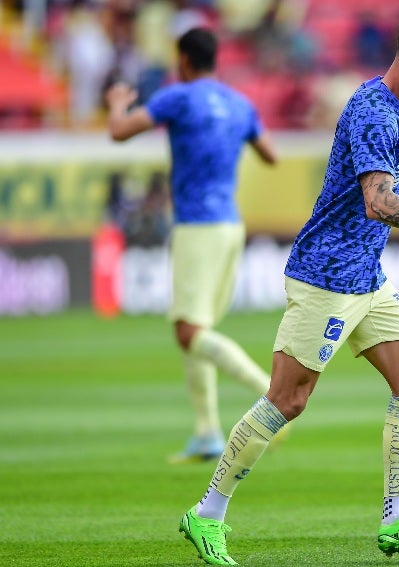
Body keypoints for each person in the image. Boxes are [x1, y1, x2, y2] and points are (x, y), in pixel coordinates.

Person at [177, 5, 399, 566]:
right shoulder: (373, 111)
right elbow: (378, 202)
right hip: (326, 278)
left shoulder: (392, 104)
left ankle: (397, 519)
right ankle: (206, 515)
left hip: (366, 278)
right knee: (287, 400)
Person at [105, 27, 282, 463]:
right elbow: (271, 154)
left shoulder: (177, 97)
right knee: (197, 326)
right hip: (230, 226)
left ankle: (274, 397)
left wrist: (116, 105)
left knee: (189, 331)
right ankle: (206, 433)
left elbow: (120, 132)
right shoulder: (240, 104)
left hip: (196, 228)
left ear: (183, 60)